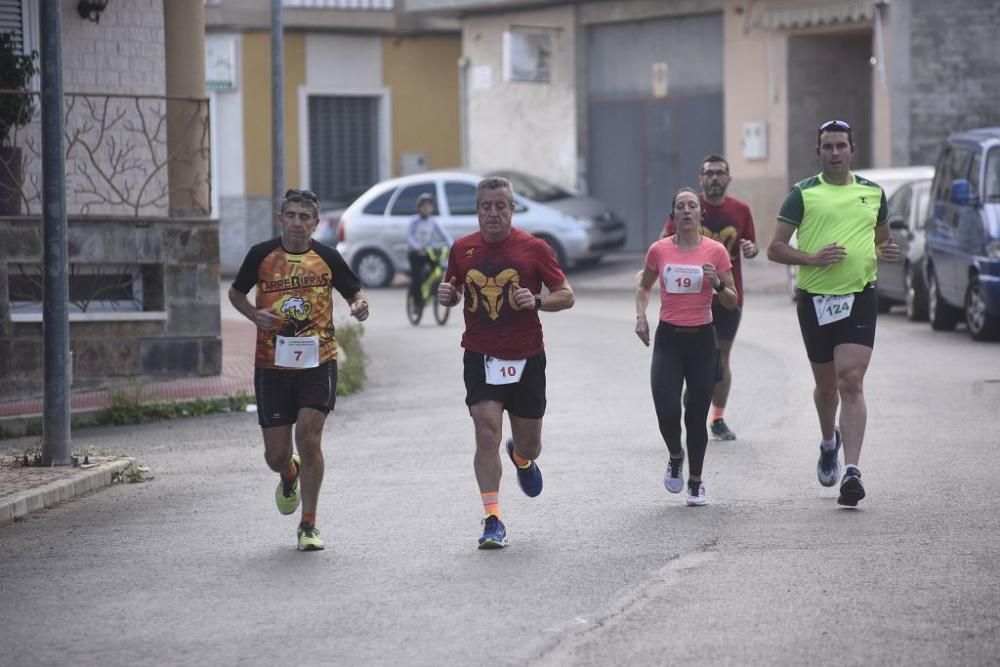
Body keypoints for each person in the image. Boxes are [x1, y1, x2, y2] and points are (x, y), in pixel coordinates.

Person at [228, 188, 370, 551]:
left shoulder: (327, 257)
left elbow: (355, 292)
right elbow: (235, 293)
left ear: (315, 223)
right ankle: (288, 473)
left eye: (304, 217)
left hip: (317, 361)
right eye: (290, 215)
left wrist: (360, 306)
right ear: (280, 219)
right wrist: (253, 315)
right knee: (275, 456)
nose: (296, 223)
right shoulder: (261, 255)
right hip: (271, 364)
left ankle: (308, 524)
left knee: (309, 437)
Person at [437, 176, 575, 549]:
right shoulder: (462, 250)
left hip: (527, 356)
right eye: (486, 206)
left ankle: (521, 458)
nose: (493, 213)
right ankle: (493, 518)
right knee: (485, 433)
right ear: (477, 210)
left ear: (512, 209)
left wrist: (539, 301)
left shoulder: (534, 248)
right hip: (481, 354)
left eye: (501, 206)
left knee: (531, 445)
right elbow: (454, 289)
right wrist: (447, 294)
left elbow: (567, 295)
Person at [767, 120, 899, 507]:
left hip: (860, 296)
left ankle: (853, 471)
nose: (836, 152)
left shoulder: (872, 193)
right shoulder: (802, 194)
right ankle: (829, 441)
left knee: (851, 380)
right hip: (815, 300)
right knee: (827, 389)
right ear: (819, 151)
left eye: (842, 145)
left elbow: (881, 241)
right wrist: (812, 258)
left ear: (852, 150)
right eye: (828, 146)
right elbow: (774, 248)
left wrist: (885, 252)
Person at [637, 188, 737, 506]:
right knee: (666, 411)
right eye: (680, 206)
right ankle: (675, 455)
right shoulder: (659, 250)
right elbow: (644, 286)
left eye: (692, 205)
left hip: (701, 340)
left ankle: (695, 481)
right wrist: (641, 316)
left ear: (700, 214)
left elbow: (732, 301)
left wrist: (718, 283)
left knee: (696, 415)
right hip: (668, 338)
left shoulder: (716, 251)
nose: (686, 210)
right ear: (674, 215)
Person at [660, 155, 758, 440]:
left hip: (727, 298)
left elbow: (750, 245)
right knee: (692, 357)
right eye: (709, 173)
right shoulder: (688, 206)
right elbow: (664, 241)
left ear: (728, 178)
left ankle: (717, 417)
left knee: (720, 358)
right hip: (689, 297)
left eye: (720, 173)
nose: (715, 178)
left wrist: (751, 249)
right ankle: (692, 407)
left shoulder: (741, 210)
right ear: (701, 178)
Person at [407, 193, 453, 310]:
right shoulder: (414, 221)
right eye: (424, 206)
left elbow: (444, 234)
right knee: (417, 277)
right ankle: (417, 302)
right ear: (419, 208)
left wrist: (453, 245)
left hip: (428, 252)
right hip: (415, 253)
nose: (426, 208)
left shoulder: (433, 222)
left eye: (429, 206)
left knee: (437, 269)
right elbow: (409, 237)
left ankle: (433, 289)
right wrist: (416, 246)